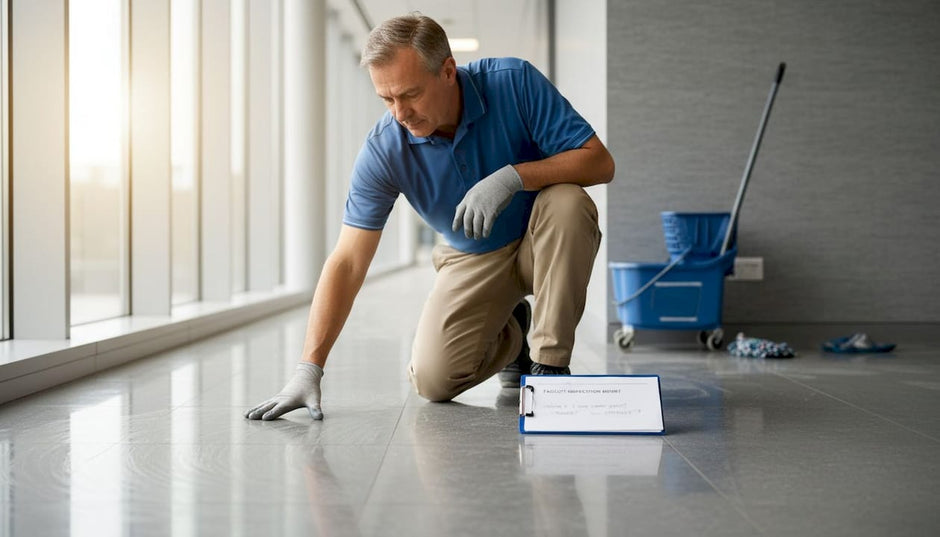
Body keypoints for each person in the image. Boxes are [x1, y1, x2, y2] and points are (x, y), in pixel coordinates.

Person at [245, 14, 614, 421]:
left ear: (448, 71)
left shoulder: (514, 82)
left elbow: (599, 163)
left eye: (410, 94)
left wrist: (515, 177)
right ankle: (515, 333)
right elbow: (348, 260)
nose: (400, 113)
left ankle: (549, 367)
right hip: (473, 256)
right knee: (433, 381)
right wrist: (309, 367)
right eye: (387, 99)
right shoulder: (385, 149)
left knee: (569, 202)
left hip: (543, 238)